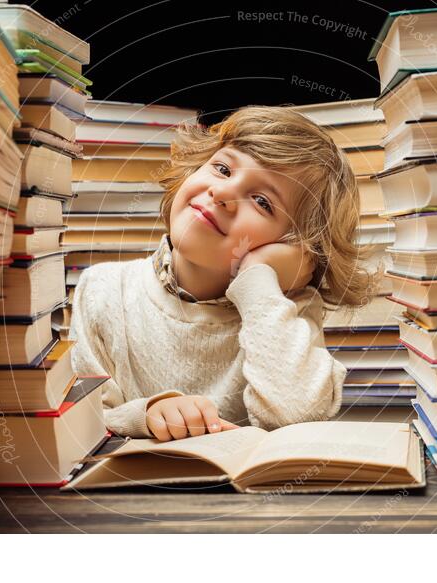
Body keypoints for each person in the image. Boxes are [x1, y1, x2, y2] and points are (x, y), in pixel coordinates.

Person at [71, 106, 377, 441]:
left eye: (262, 202)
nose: (224, 193)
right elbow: (75, 426)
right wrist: (145, 415)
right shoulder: (103, 290)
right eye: (222, 168)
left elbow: (298, 416)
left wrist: (258, 277)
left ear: (296, 249)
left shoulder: (287, 314)